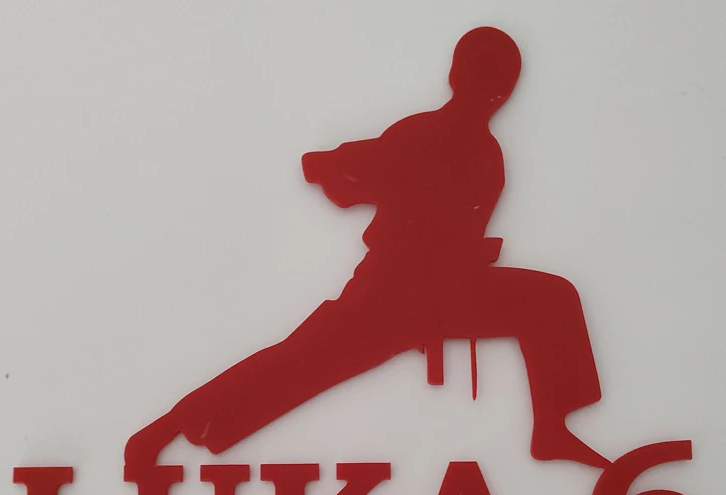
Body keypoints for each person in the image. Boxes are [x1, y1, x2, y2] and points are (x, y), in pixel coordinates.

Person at [125, 27, 608, 470]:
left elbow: (402, 203)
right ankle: (169, 426)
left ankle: (551, 427)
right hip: (392, 293)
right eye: (488, 79)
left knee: (552, 298)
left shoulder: (482, 150)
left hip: (451, 291)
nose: (494, 92)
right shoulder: (421, 136)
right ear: (463, 79)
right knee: (298, 361)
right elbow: (346, 178)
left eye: (499, 82)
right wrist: (340, 166)